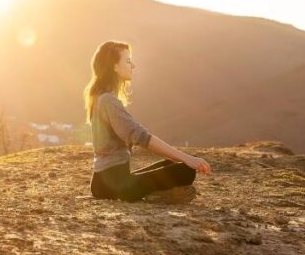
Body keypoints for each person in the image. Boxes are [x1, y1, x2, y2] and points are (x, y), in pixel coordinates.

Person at [84, 40, 212, 202]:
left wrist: (183, 158)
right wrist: (187, 158)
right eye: (128, 61)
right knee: (185, 170)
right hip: (113, 185)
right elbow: (142, 138)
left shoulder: (101, 98)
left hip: (108, 181)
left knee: (171, 164)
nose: (133, 66)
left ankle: (152, 191)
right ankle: (154, 195)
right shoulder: (108, 101)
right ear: (114, 67)